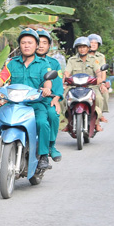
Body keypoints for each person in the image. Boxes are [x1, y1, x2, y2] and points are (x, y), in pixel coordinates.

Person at [0, 28, 54, 170]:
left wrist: (47, 88)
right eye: (23, 42)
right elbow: (2, 77)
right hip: (13, 103)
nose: (26, 45)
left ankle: (43, 155)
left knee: (42, 122)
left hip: (35, 104)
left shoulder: (43, 64)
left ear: (36, 45)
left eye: (30, 42)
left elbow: (47, 80)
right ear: (20, 45)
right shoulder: (12, 63)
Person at [64, 36, 107, 132]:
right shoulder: (72, 60)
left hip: (91, 86)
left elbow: (98, 71)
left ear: (88, 48)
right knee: (63, 97)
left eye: (84, 47)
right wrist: (63, 80)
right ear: (77, 48)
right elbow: (67, 72)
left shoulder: (93, 59)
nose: (82, 49)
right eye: (80, 47)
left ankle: (96, 122)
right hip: (74, 86)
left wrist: (99, 79)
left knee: (99, 98)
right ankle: (68, 120)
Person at [36, 29, 63, 162]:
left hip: (48, 99)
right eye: (39, 42)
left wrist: (56, 98)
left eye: (44, 43)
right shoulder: (21, 61)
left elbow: (57, 84)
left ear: (49, 45)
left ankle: (51, 145)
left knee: (53, 114)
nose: (41, 45)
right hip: (27, 99)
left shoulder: (54, 63)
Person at [87, 33, 110, 120]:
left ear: (98, 45)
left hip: (96, 81)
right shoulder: (82, 55)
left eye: (95, 43)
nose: (93, 44)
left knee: (103, 94)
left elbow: (103, 71)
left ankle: (100, 115)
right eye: (91, 42)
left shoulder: (100, 57)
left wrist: (102, 83)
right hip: (82, 81)